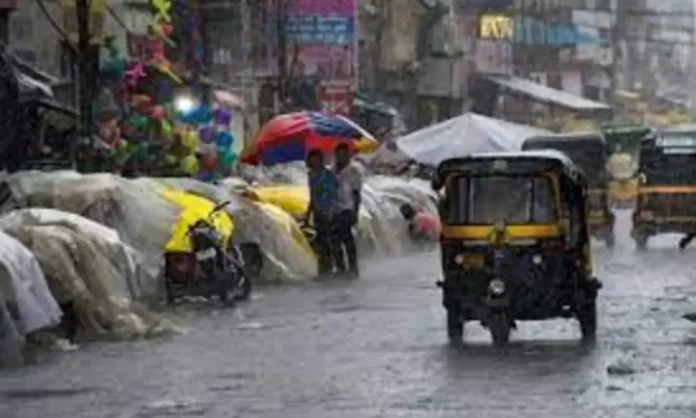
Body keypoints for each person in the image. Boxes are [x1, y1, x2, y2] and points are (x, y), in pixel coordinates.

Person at [304, 149, 339, 276]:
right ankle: (324, 268)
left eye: (316, 159)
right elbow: (312, 196)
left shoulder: (329, 175)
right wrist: (308, 215)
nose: (314, 163)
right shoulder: (311, 176)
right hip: (318, 212)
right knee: (320, 241)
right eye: (312, 160)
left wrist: (331, 212)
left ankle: (333, 266)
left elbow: (334, 194)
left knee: (329, 241)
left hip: (329, 211)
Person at [333, 143, 362, 277]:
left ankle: (353, 267)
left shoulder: (354, 171)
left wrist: (355, 212)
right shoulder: (331, 170)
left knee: (347, 238)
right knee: (335, 240)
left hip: (347, 208)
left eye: (344, 154)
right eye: (339, 154)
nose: (341, 157)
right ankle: (341, 267)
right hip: (334, 209)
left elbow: (356, 193)